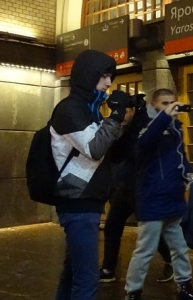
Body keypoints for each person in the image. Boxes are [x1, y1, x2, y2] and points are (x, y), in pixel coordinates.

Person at [50, 49, 131, 299]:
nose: (109, 82)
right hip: (78, 202)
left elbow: (110, 151)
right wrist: (116, 115)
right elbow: (95, 149)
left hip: (86, 201)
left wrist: (129, 121)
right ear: (88, 76)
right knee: (86, 278)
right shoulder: (70, 109)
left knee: (73, 271)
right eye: (104, 75)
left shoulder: (89, 109)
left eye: (111, 77)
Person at [123, 89, 193, 300]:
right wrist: (166, 116)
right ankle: (133, 292)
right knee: (145, 250)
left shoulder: (176, 127)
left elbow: (180, 156)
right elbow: (145, 142)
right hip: (152, 197)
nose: (169, 106)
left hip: (173, 197)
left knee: (180, 247)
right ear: (153, 104)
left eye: (172, 102)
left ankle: (185, 287)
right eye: (164, 103)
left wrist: (190, 175)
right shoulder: (143, 124)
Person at [99, 94, 174, 284]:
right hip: (122, 188)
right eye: (119, 111)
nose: (122, 115)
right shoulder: (113, 128)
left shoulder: (144, 127)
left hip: (142, 189)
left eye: (127, 110)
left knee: (151, 230)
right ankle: (108, 269)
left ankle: (171, 261)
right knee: (112, 228)